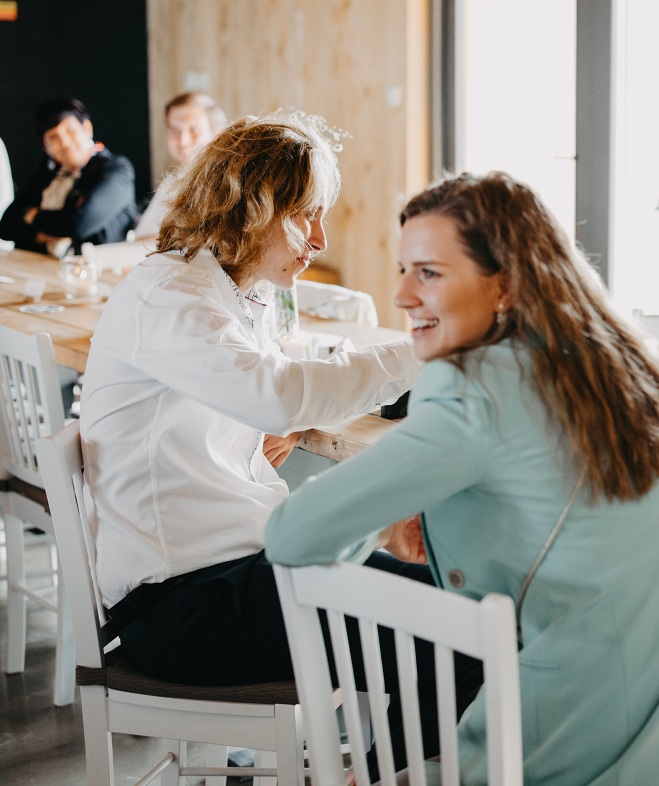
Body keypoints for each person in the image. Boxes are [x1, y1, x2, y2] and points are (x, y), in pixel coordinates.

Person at [264, 172, 659, 785]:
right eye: (403, 269)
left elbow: (293, 533)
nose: (400, 294)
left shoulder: (473, 387)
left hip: (600, 711)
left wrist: (382, 521)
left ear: (502, 283)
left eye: (427, 272)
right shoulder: (595, 356)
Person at [80, 112, 471, 771]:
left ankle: (376, 772)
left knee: (449, 600)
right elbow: (280, 392)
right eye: (303, 217)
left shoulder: (233, 293)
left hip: (238, 566)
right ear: (247, 207)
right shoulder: (169, 294)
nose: (318, 239)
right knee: (450, 631)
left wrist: (252, 432)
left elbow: (267, 390)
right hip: (181, 606)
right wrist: (429, 347)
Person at [0, 98, 137, 256]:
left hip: (94, 272)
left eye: (70, 131)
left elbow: (78, 225)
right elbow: (6, 226)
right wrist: (46, 230)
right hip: (41, 268)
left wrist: (33, 215)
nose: (64, 142)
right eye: (53, 137)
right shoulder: (49, 171)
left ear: (87, 129)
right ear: (46, 148)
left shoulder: (115, 169)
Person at [132, 92, 228, 240]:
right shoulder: (170, 184)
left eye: (194, 130)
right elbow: (141, 238)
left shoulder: (227, 184)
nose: (182, 141)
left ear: (216, 135)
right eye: (175, 130)